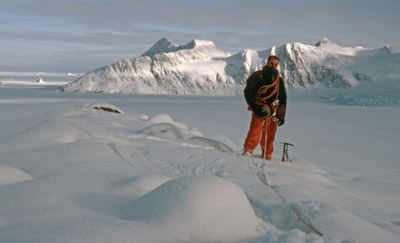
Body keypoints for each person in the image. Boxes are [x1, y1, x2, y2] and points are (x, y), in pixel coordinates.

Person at [243, 55, 287, 160]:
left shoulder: (278, 80)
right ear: (267, 63)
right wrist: (254, 106)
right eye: (271, 63)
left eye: (276, 64)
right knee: (255, 130)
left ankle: (267, 153)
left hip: (274, 109)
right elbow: (248, 92)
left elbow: (283, 97)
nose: (273, 66)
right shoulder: (258, 76)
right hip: (260, 107)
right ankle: (248, 150)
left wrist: (282, 114)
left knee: (271, 133)